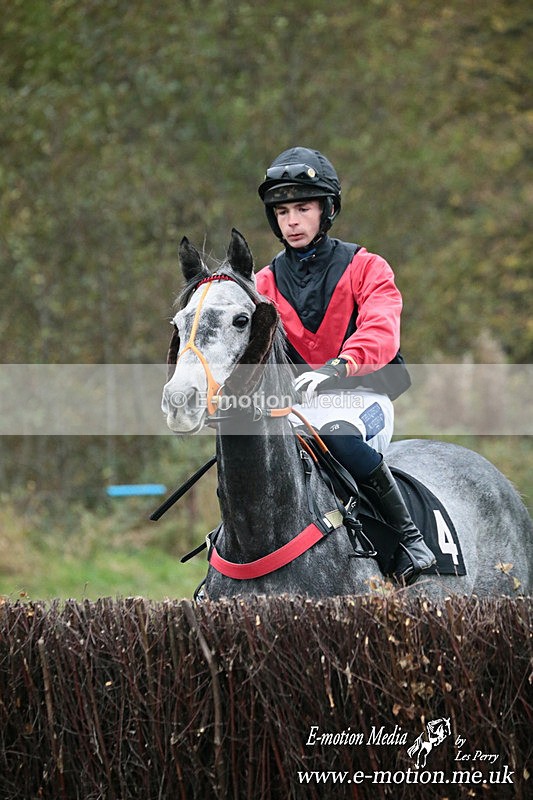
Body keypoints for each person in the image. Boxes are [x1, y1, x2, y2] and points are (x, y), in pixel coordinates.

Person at [255, 146, 435, 585]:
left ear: (327, 209)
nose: (292, 221)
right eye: (282, 211)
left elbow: (380, 331)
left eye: (303, 208)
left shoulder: (367, 267)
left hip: (362, 397)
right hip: (298, 409)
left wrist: (338, 367)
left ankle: (410, 539)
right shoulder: (262, 283)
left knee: (334, 436)